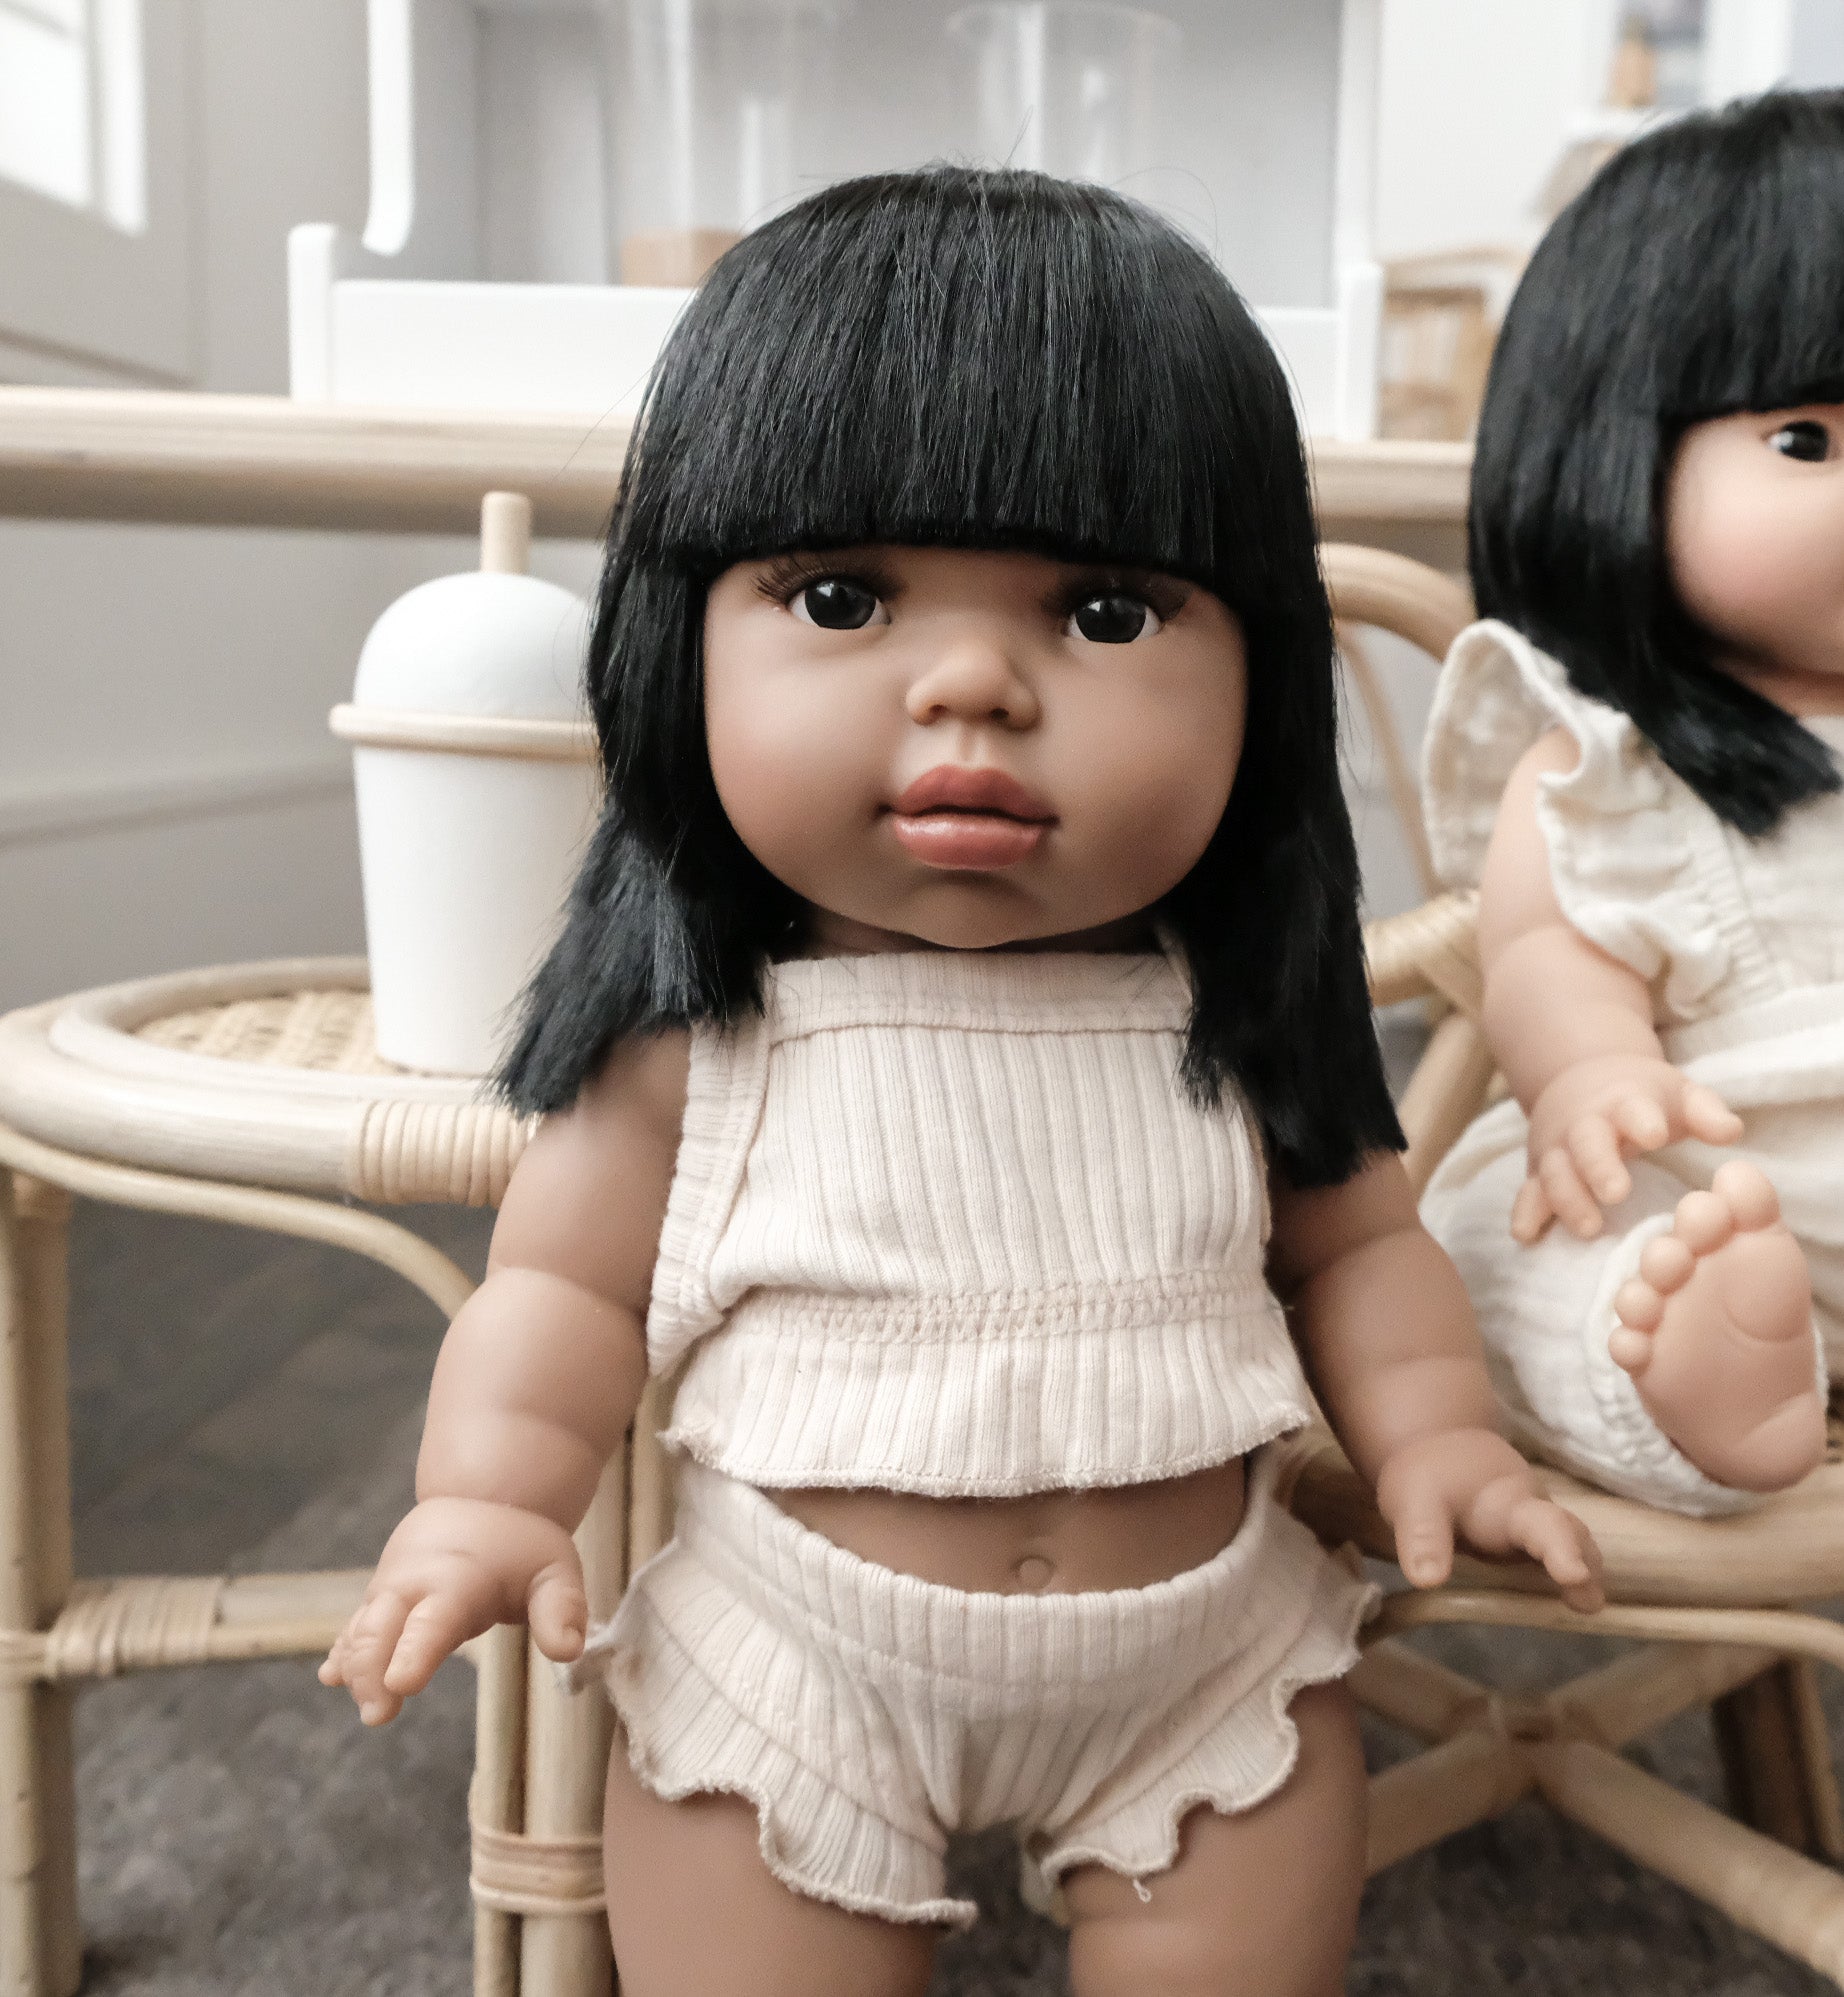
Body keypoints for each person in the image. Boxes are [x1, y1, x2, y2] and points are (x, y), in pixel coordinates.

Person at [323, 166, 1599, 1997]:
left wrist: (1441, 1435)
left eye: (1107, 613)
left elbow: (1359, 1250)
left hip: (1204, 1672)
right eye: (845, 595)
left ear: (1264, 676)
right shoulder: (708, 1033)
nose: (976, 686)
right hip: (794, 1669)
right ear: (681, 641)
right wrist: (489, 1498)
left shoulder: (1230, 1014)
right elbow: (560, 1291)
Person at [1421, 91, 1844, 1517]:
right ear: (1612, 452)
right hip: (1708, 1177)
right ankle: (1689, 1374)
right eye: (1807, 438)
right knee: (1512, 1232)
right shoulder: (1609, 764)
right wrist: (1591, 1074)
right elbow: (1544, 950)